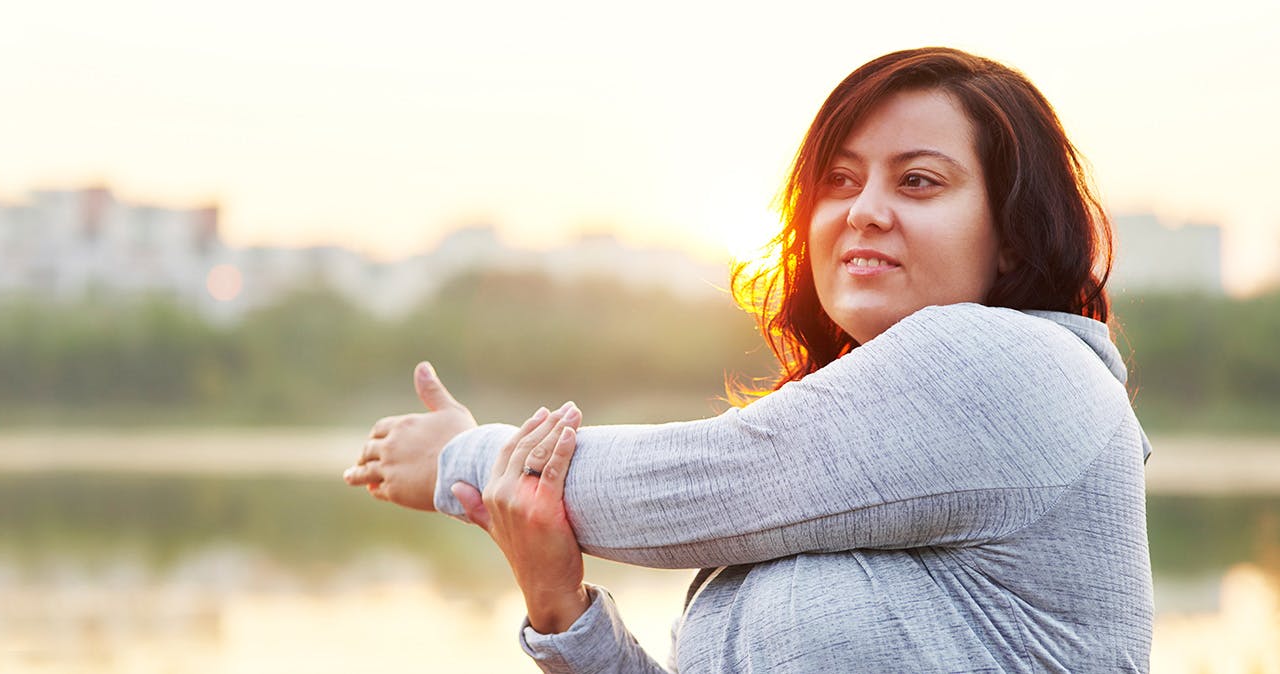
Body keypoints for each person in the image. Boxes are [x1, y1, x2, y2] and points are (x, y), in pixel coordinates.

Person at [344, 47, 1153, 672]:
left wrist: (461, 460)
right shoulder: (861, 454)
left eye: (917, 181)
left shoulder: (1017, 367)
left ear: (1011, 235)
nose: (865, 211)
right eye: (839, 180)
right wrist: (562, 612)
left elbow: (694, 479)